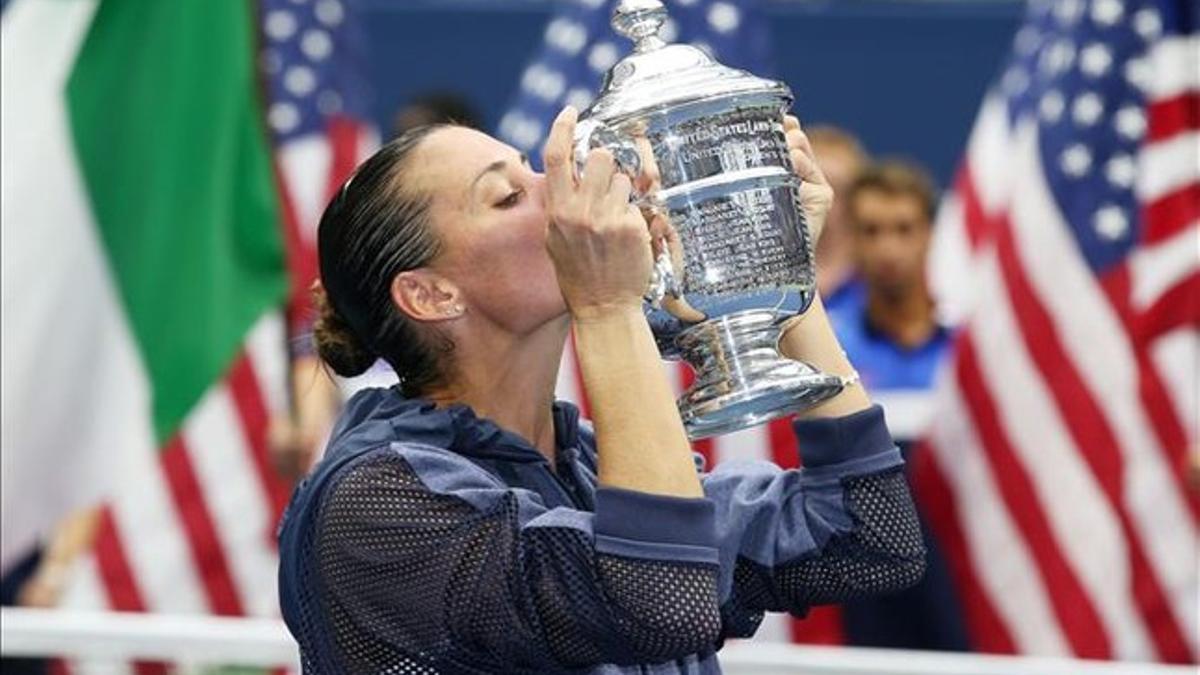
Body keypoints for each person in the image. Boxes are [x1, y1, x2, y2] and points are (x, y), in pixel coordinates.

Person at [277, 107, 926, 673]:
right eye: (507, 196)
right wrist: (609, 305)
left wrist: (780, 275)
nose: (561, 194)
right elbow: (658, 597)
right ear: (430, 294)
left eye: (535, 169)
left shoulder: (588, 461)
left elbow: (868, 535)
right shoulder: (373, 500)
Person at [828, 160, 966, 651]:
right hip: (862, 583)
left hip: (963, 567)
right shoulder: (827, 343)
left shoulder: (973, 345)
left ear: (931, 233)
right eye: (872, 231)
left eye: (904, 229)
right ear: (852, 237)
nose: (889, 248)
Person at [809, 126, 868, 316]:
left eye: (838, 190)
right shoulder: (767, 287)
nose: (824, 201)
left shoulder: (881, 285)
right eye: (812, 187)